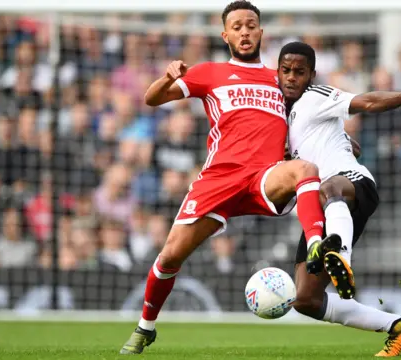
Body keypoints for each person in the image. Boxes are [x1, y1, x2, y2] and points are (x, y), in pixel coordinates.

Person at [120, 2, 332, 354]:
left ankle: (315, 245)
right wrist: (168, 77)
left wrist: (340, 140)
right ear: (226, 35)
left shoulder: (281, 79)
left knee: (305, 169)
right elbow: (151, 98)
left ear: (261, 33)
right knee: (170, 257)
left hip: (265, 175)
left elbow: (309, 122)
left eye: (251, 25)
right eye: (237, 27)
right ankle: (146, 326)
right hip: (219, 179)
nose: (245, 31)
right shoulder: (210, 73)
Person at [276, 41, 401, 357]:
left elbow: (365, 101)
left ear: (311, 75)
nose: (291, 77)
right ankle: (400, 326)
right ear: (278, 72)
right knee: (305, 299)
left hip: (352, 185)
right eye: (286, 70)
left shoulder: (315, 96)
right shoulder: (281, 117)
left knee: (327, 186)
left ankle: (342, 260)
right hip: (319, 210)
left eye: (299, 72)